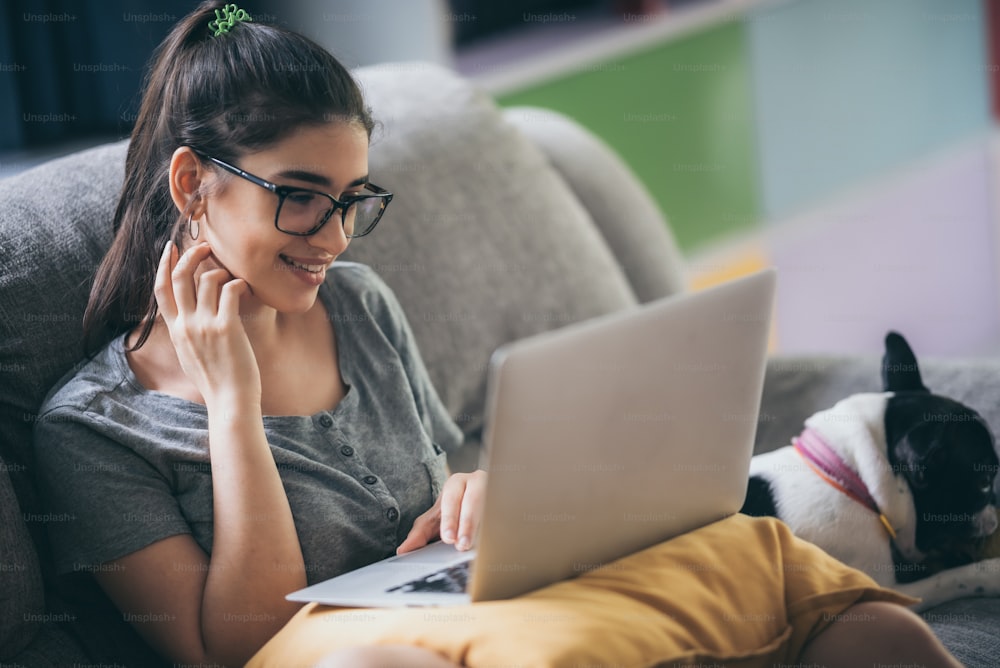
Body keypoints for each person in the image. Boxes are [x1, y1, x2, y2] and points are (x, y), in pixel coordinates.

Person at [33, 3, 963, 667]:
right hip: (354, 654)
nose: (335, 238)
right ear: (195, 184)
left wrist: (477, 490)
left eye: (354, 201)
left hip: (481, 603)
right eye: (302, 199)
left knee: (801, 586)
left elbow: (448, 485)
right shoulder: (91, 430)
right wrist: (233, 408)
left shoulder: (356, 306)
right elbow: (235, 646)